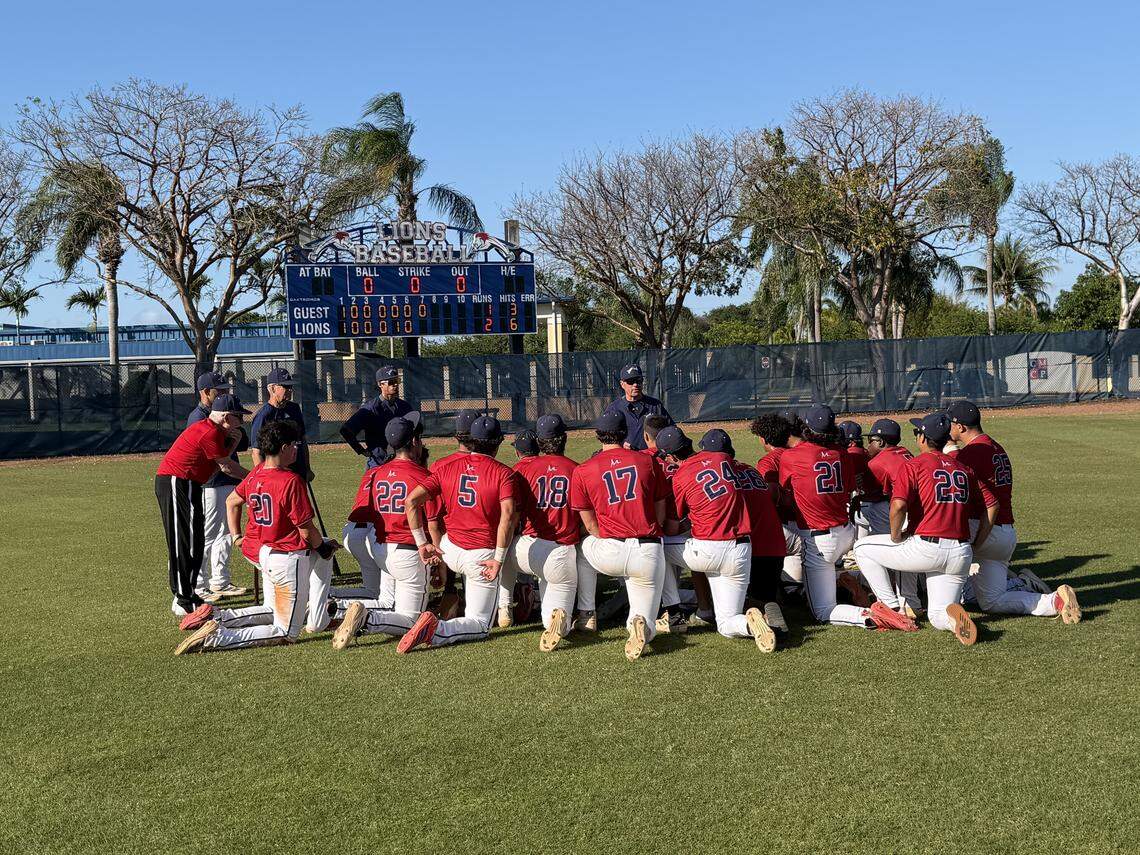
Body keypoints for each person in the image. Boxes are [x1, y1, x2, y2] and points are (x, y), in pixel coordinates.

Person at [174, 421, 341, 654]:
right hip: (287, 557)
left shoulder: (256, 473)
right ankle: (217, 637)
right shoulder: (290, 480)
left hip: (265, 553)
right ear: (283, 447)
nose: (296, 449)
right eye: (294, 445)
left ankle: (218, 616)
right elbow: (305, 529)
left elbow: (232, 501)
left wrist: (237, 537)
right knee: (285, 632)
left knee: (274, 608)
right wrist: (321, 547)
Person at [852, 412, 997, 645]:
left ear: (922, 438)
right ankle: (954, 622)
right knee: (938, 614)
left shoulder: (915, 465)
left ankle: (891, 608)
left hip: (927, 549)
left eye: (917, 432)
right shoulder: (963, 468)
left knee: (862, 548)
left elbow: (898, 506)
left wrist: (896, 536)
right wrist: (976, 544)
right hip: (961, 552)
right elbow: (992, 504)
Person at [777, 404, 909, 631]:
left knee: (822, 611)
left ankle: (870, 614)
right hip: (846, 531)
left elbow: (783, 494)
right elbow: (850, 489)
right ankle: (861, 590)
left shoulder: (791, 456)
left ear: (805, 428)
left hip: (819, 539)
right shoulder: (842, 454)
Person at [947, 400, 1080, 623]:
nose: (947, 427)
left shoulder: (972, 453)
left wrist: (949, 449)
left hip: (984, 528)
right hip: (1005, 535)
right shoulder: (995, 447)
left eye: (950, 423)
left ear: (960, 427)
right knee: (991, 601)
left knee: (932, 542)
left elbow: (951, 470)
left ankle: (916, 604)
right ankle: (1054, 601)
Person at [396, 415, 520, 653]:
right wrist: (499, 559)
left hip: (451, 550)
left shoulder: (447, 467)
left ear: (471, 440)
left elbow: (411, 501)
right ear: (499, 442)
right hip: (481, 556)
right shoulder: (504, 473)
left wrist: (422, 543)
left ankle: (445, 607)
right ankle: (437, 629)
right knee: (481, 625)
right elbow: (507, 517)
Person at [332, 414, 447, 649]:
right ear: (414, 442)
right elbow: (433, 522)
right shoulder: (423, 476)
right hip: (409, 552)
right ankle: (366, 618)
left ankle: (335, 608)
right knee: (413, 620)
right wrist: (439, 562)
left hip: (380, 549)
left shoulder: (376, 473)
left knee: (387, 601)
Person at [658, 426, 776, 652]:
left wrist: (688, 522)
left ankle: (673, 614)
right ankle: (752, 625)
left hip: (709, 549)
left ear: (671, 456)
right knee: (726, 623)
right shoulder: (723, 458)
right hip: (741, 550)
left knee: (656, 547)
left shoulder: (680, 475)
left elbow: (672, 528)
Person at [570, 411, 668, 661]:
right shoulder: (646, 461)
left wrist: (612, 535)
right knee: (646, 621)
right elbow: (660, 508)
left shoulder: (583, 470)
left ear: (598, 435)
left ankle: (586, 613)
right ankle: (639, 625)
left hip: (609, 550)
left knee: (582, 549)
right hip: (648, 549)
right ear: (625, 431)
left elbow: (590, 526)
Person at [156, 393, 249, 618]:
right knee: (184, 541)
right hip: (177, 481)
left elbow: (217, 465)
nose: (242, 422)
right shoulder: (209, 432)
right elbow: (226, 468)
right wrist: (256, 479)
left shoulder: (216, 432)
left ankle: (190, 595)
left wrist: (234, 443)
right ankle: (183, 598)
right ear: (226, 417)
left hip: (190, 483)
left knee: (195, 540)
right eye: (239, 417)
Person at [504, 414, 580, 652]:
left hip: (528, 549)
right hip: (562, 551)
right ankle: (575, 616)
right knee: (556, 616)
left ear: (539, 441)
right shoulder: (576, 470)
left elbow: (513, 516)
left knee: (502, 550)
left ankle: (503, 607)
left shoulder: (523, 471)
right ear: (564, 439)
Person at [186, 371, 248, 600]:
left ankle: (220, 580)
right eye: (219, 390)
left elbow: (238, 441)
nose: (223, 393)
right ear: (204, 392)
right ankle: (198, 584)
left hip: (227, 478)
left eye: (225, 390)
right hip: (209, 482)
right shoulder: (198, 416)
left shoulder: (222, 413)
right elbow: (216, 454)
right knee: (207, 532)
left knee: (225, 531)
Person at [750, 413, 804, 592]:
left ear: (763, 439)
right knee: (795, 587)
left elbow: (772, 494)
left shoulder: (768, 461)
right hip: (809, 527)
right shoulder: (800, 453)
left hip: (785, 531)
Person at [338, 366, 412, 468]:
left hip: (401, 462)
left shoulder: (405, 406)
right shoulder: (370, 409)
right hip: (378, 463)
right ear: (380, 384)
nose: (395, 385)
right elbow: (345, 430)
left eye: (397, 381)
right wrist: (360, 450)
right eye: (390, 382)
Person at [250, 367, 310, 479]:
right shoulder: (263, 416)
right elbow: (256, 453)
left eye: (291, 386)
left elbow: (302, 441)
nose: (290, 390)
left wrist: (307, 468)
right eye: (285, 386)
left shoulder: (295, 409)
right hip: (276, 477)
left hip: (298, 473)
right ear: (272, 388)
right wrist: (264, 478)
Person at [603, 363, 672, 452]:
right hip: (627, 458)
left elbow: (669, 429)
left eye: (638, 380)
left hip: (652, 457)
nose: (635, 385)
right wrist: (621, 444)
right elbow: (606, 437)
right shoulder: (614, 408)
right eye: (630, 381)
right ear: (622, 384)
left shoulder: (655, 405)